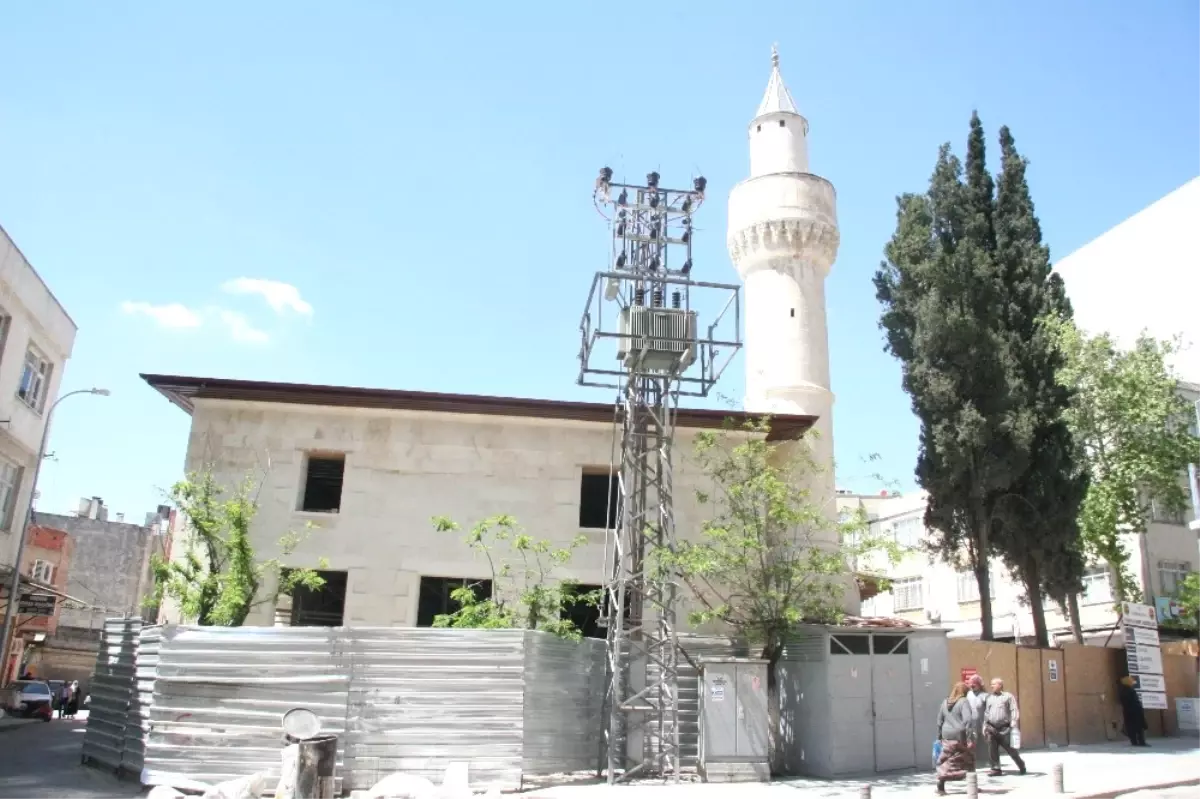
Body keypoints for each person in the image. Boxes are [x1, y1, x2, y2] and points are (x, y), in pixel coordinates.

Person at [935, 681, 977, 795]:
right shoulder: (963, 702)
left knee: (946, 760)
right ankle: (972, 786)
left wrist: (939, 736)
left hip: (946, 736)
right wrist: (969, 738)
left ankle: (940, 786)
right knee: (969, 759)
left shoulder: (945, 702)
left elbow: (939, 721)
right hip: (959, 736)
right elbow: (968, 720)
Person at [983, 677, 1026, 776]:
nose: (991, 686)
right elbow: (986, 712)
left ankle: (1021, 764)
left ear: (1000, 685)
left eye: (994, 684)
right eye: (991, 684)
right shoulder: (989, 698)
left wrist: (1014, 721)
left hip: (1004, 728)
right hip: (991, 728)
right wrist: (984, 725)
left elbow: (1014, 709)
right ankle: (996, 768)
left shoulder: (1008, 696)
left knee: (1010, 750)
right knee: (992, 749)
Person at [1118, 676, 1148, 747]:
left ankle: (1134, 741)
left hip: (1127, 711)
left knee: (1131, 727)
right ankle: (1141, 741)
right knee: (1139, 727)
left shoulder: (1122, 691)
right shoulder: (1131, 691)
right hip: (1135, 711)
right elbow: (1135, 702)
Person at [966, 674, 987, 744]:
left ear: (979, 685)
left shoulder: (984, 696)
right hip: (971, 726)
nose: (972, 686)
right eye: (971, 685)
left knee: (983, 746)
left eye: (974, 685)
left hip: (982, 725)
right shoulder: (968, 694)